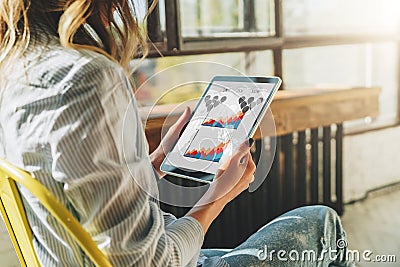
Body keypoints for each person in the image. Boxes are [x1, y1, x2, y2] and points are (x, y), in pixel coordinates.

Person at [0, 1, 354, 266]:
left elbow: (75, 191)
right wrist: (216, 198)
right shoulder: (86, 76)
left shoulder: (14, 69)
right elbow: (151, 262)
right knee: (322, 223)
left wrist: (152, 165)